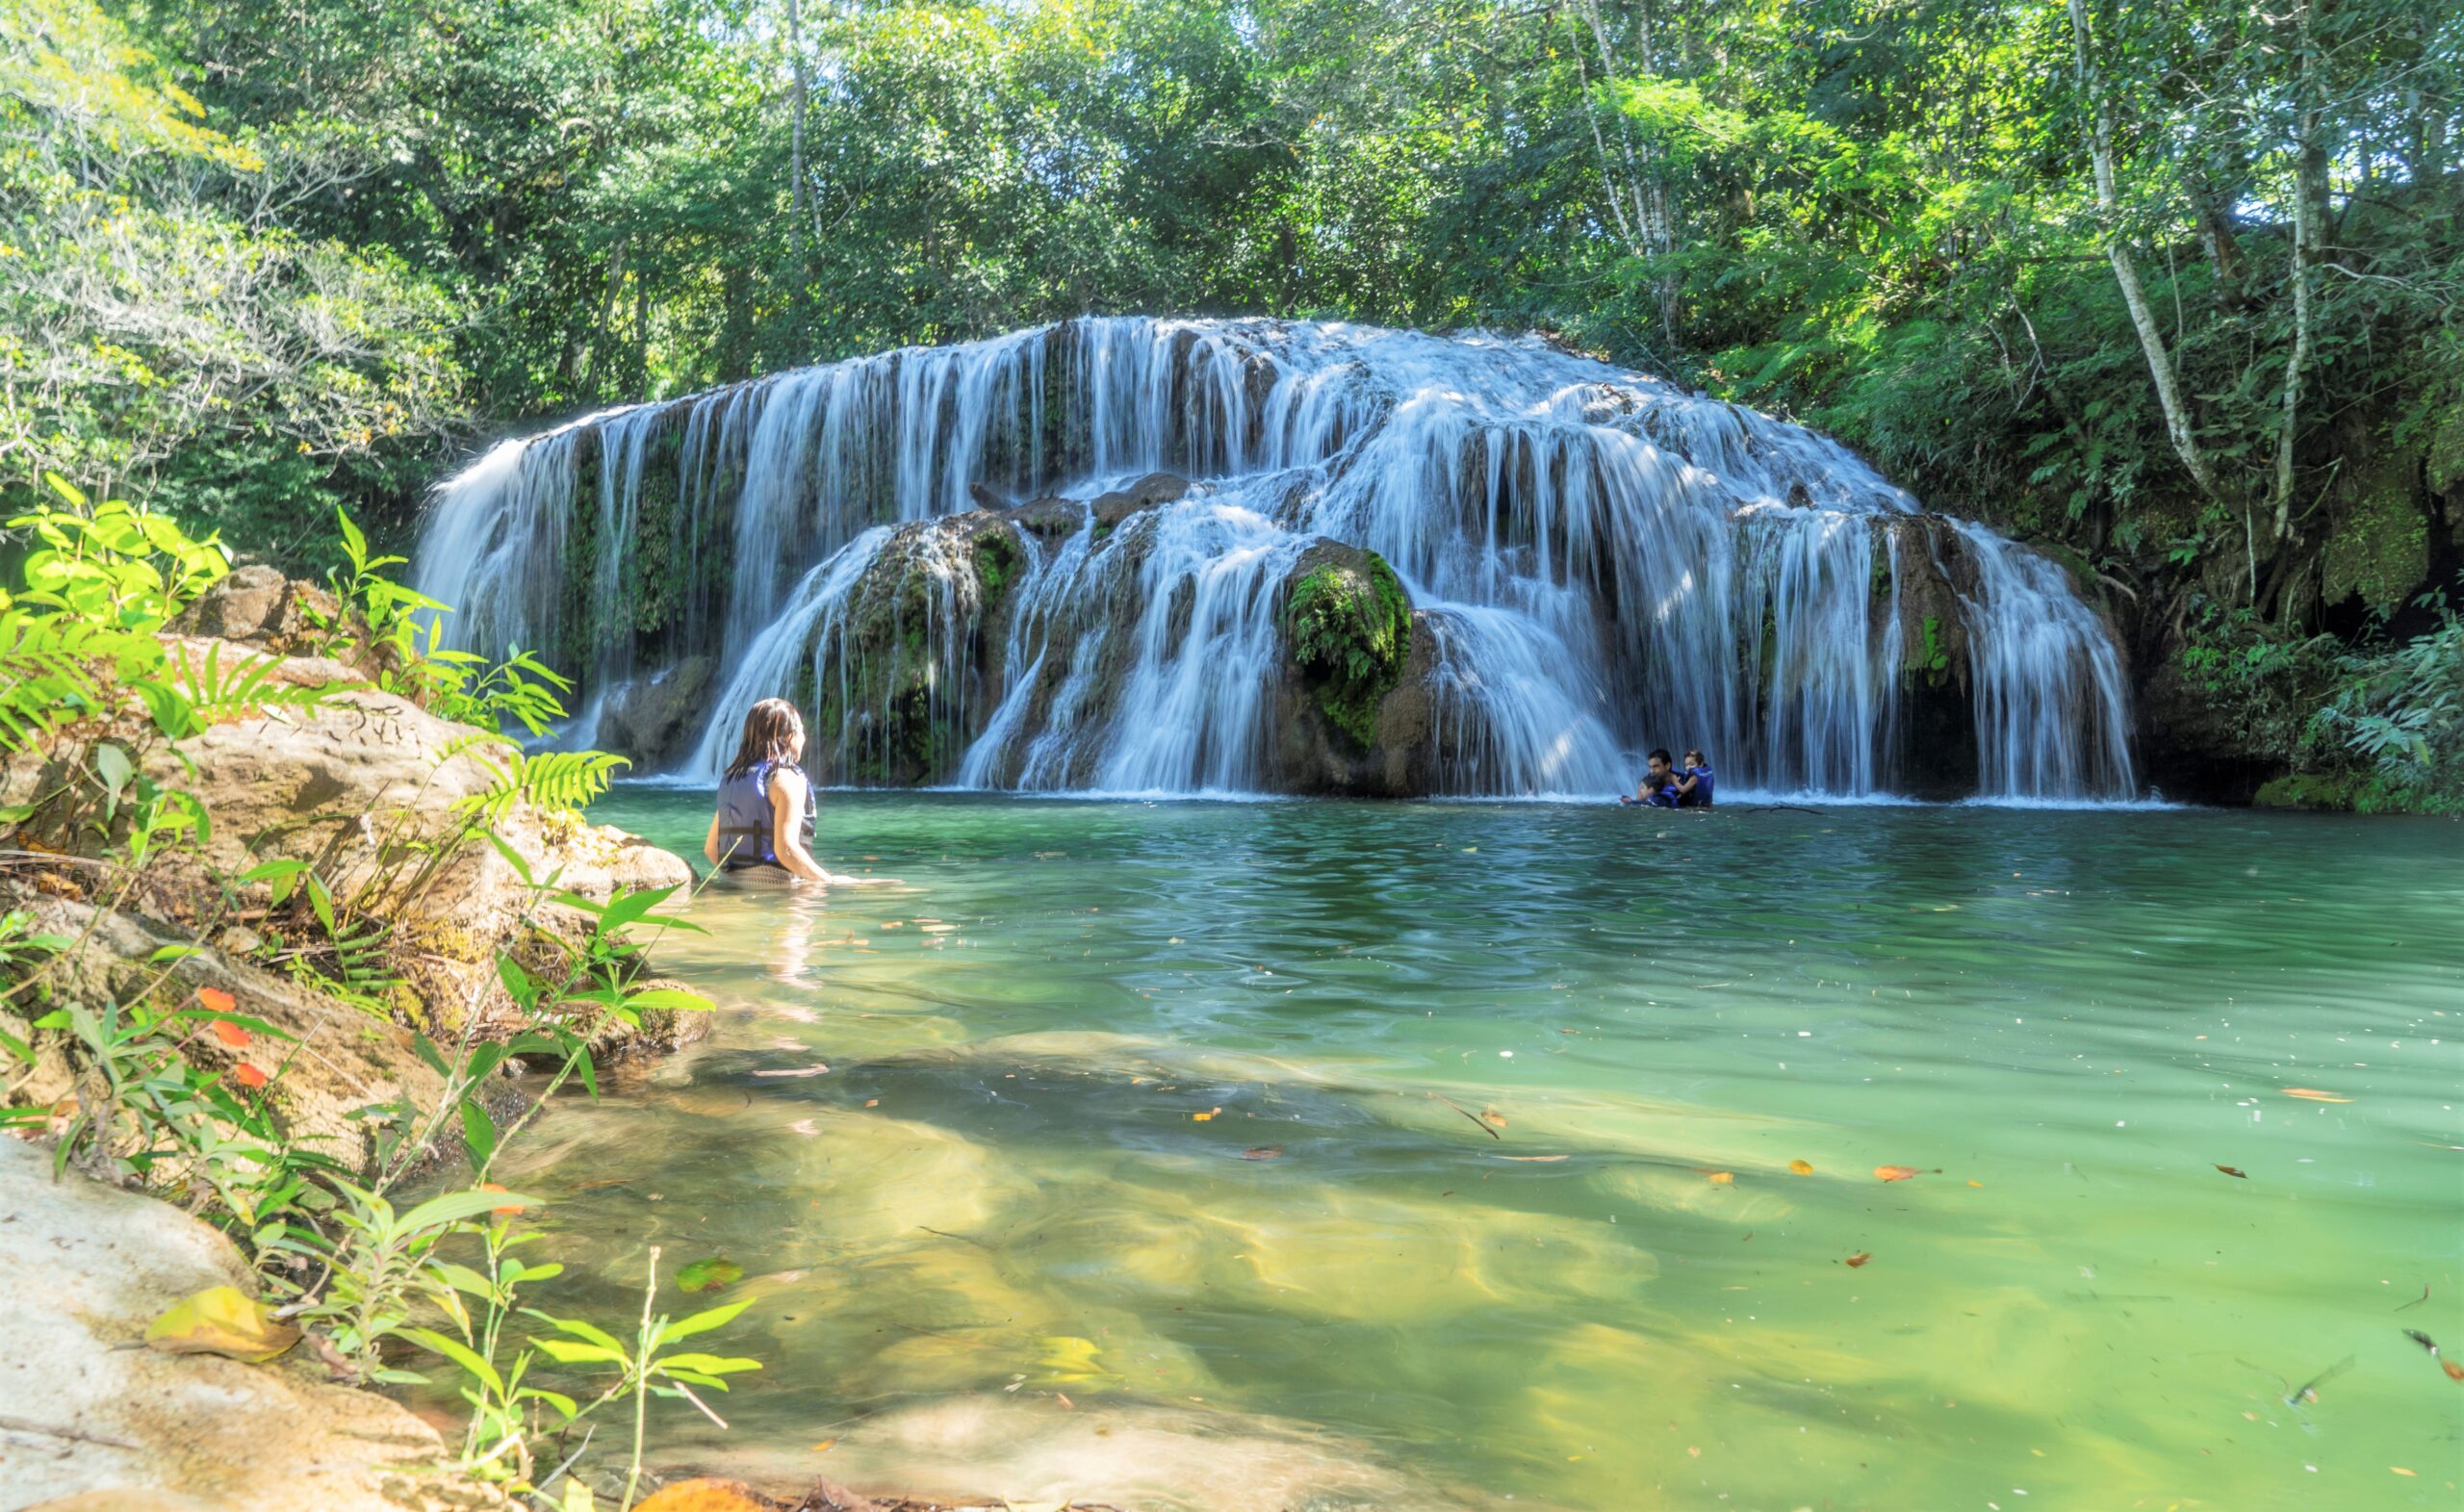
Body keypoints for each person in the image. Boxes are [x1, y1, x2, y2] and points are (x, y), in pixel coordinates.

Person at [704, 698, 833, 882]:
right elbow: (786, 851)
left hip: (729, 883)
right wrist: (829, 882)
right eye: (801, 731)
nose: (804, 738)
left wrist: (739, 882)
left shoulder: (733, 778)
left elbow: (710, 849)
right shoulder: (787, 778)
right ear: (789, 736)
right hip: (777, 887)